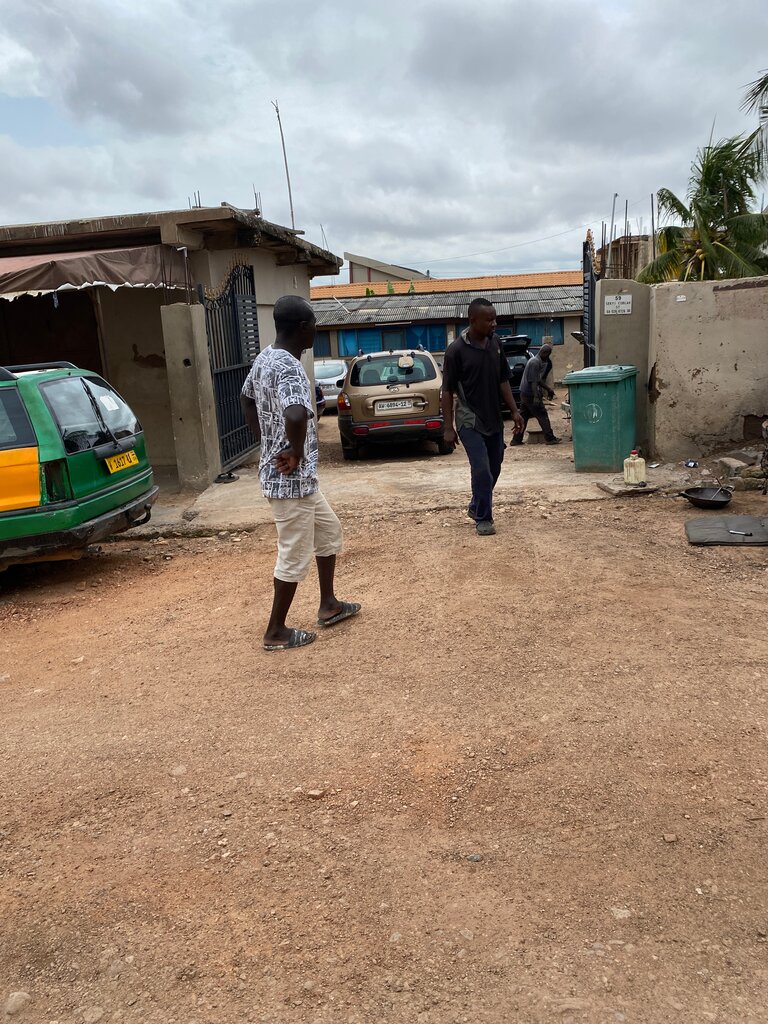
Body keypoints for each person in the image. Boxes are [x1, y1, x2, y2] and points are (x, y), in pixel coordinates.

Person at [240, 295, 360, 651]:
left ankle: (329, 605)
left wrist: (263, 438)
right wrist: (291, 449)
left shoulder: (265, 357)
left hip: (297, 479)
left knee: (328, 531)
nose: (317, 330)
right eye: (313, 324)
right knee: (293, 552)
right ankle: (275, 631)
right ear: (302, 328)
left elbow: (245, 396)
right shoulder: (289, 367)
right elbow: (295, 414)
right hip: (289, 478)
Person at [441, 298, 525, 536]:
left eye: (495, 318)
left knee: (495, 467)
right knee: (481, 469)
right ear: (473, 320)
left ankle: (477, 505)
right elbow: (446, 391)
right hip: (469, 420)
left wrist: (516, 411)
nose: (494, 323)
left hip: (493, 418)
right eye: (489, 320)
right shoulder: (455, 351)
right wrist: (448, 427)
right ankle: (484, 518)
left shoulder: (495, 343)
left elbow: (503, 380)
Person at [512, 343, 561, 446]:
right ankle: (550, 438)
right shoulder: (535, 362)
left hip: (524, 393)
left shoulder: (536, 361)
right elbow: (533, 382)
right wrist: (536, 396)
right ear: (544, 353)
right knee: (542, 415)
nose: (548, 357)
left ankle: (516, 440)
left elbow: (538, 380)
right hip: (530, 393)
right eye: (548, 354)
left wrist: (548, 389)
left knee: (523, 417)